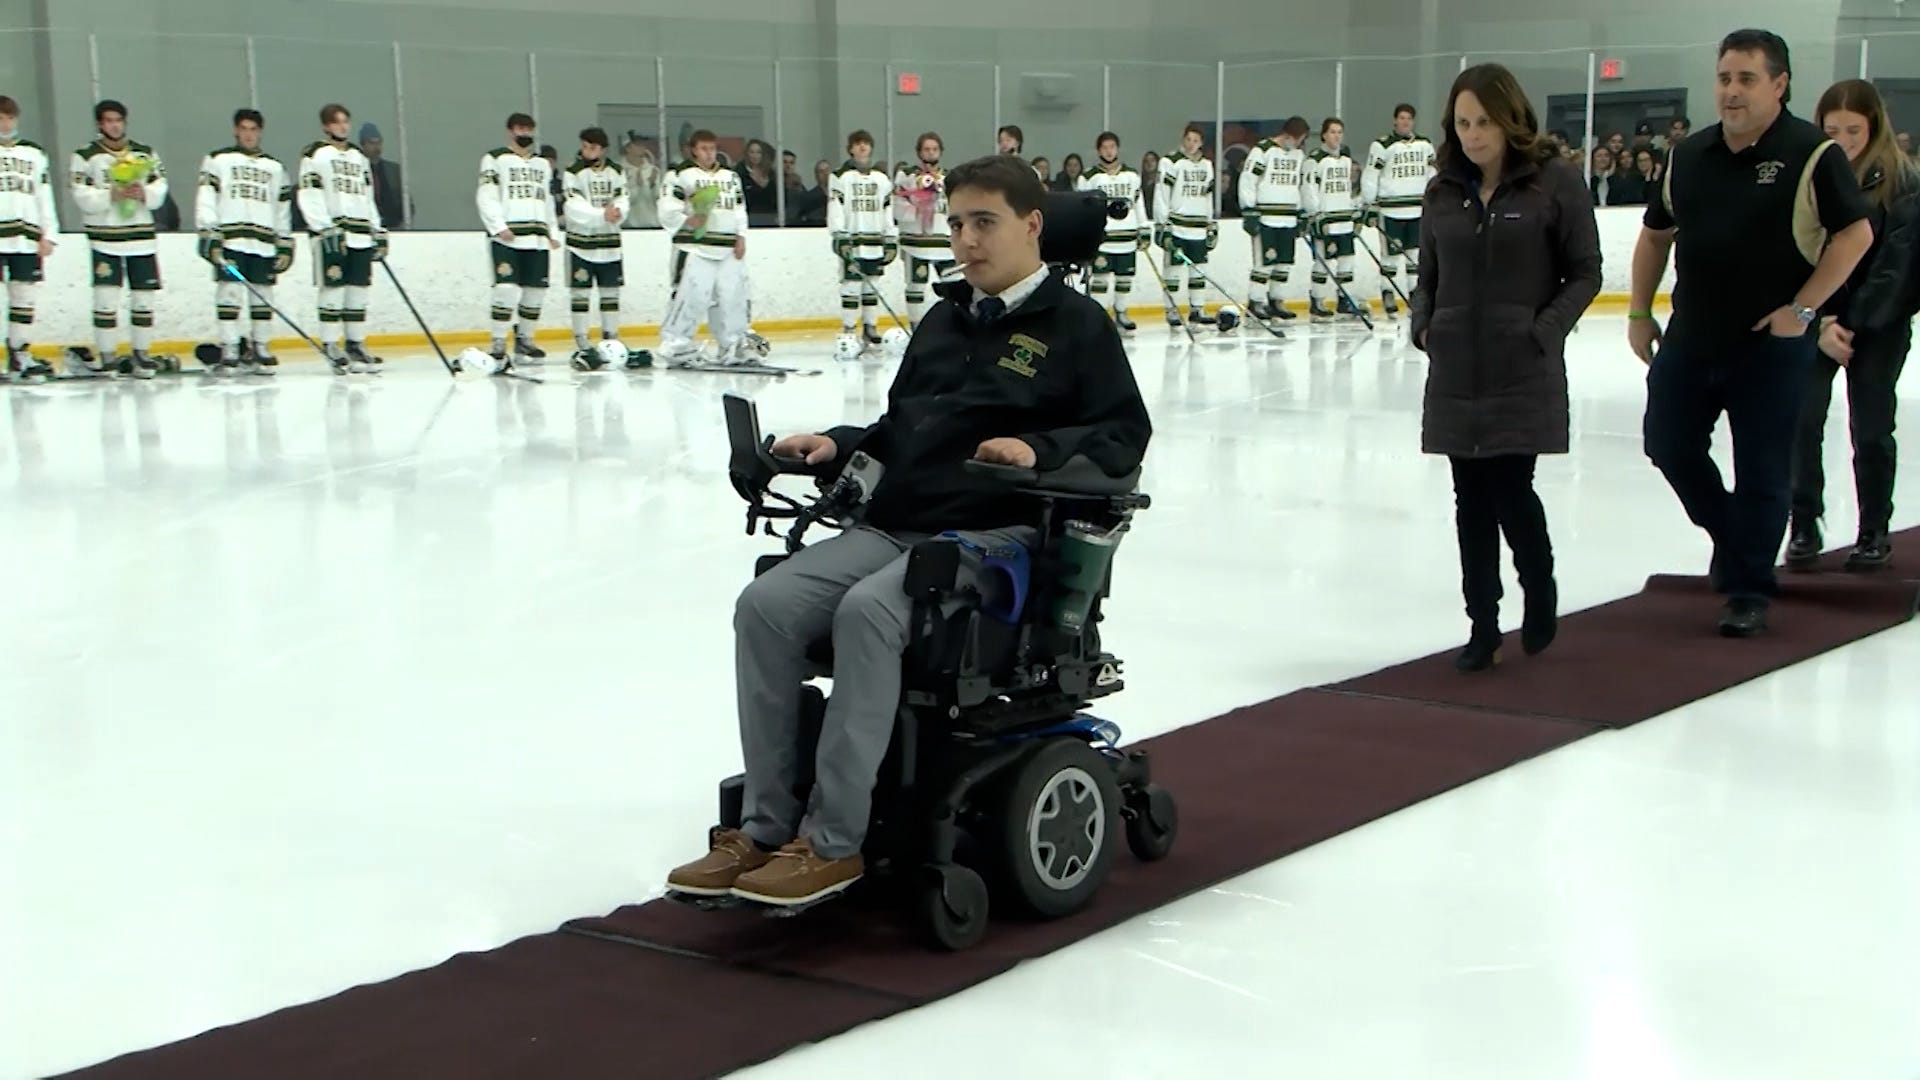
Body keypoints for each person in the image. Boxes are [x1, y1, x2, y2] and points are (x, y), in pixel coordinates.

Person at [664, 154, 1152, 907]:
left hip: (1004, 536)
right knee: (764, 607)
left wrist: (1038, 450)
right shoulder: (946, 317)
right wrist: (840, 443)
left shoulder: (1076, 326)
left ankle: (832, 844)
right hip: (905, 524)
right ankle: (765, 830)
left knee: (871, 612)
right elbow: (907, 429)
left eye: (983, 223)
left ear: (1032, 225)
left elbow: (1124, 437)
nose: (965, 240)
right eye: (955, 223)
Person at [1630, 29, 1874, 636]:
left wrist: (1805, 308)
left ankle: (1747, 591)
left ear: (1779, 84)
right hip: (1692, 334)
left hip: (1771, 344)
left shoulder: (1812, 153)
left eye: (1746, 79)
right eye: (1724, 78)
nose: (1731, 92)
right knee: (1667, 442)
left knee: (1764, 468)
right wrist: (1638, 311)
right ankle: (1735, 538)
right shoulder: (1687, 156)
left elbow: (1855, 235)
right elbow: (1656, 235)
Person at [1410, 64, 1602, 672]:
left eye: (1483, 121)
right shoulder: (1442, 191)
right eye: (1462, 123)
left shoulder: (1554, 184)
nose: (1472, 134)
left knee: (1512, 490)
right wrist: (1425, 327)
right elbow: (1428, 278)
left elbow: (1587, 271)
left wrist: (1541, 331)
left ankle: (1538, 589)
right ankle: (1483, 624)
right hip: (1456, 369)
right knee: (1470, 498)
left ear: (1510, 118)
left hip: (1522, 366)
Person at [1787, 79, 1918, 573]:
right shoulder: (1809, 177)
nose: (1842, 139)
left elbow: (1897, 267)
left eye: (1853, 130)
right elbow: (1796, 253)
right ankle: (1802, 522)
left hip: (1879, 327)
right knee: (1802, 421)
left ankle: (1873, 530)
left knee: (1871, 429)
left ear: (1874, 127)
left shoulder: (1903, 183)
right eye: (1832, 129)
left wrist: (1854, 325)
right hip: (1815, 321)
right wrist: (1820, 319)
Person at [70, 99, 169, 378]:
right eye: (108, 121)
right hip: (105, 238)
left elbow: (160, 186)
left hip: (141, 236)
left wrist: (144, 193)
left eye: (118, 120)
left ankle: (141, 354)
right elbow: (79, 193)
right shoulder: (85, 155)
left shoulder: (144, 153)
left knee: (143, 298)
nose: (114, 125)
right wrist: (108, 195)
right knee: (106, 299)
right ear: (100, 124)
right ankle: (108, 356)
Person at [196, 108, 294, 377]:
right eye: (244, 128)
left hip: (263, 241)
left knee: (262, 296)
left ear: (260, 132)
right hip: (230, 238)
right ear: (235, 130)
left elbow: (282, 209)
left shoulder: (275, 168)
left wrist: (284, 242)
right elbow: (207, 197)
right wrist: (209, 232)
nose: (249, 134)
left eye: (254, 129)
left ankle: (260, 347)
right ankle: (230, 349)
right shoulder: (218, 160)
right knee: (228, 294)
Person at [298, 103, 386, 374]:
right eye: (336, 123)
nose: (342, 127)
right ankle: (330, 344)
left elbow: (366, 195)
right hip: (333, 233)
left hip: (360, 233)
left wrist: (377, 229)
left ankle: (355, 344)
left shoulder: (358, 157)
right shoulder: (315, 155)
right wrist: (323, 227)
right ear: (326, 126)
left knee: (358, 292)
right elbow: (309, 194)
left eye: (345, 122)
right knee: (333, 290)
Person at [657, 129, 750, 365]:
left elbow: (738, 208)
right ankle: (676, 346)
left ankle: (732, 344)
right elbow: (667, 206)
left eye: (712, 148)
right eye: (704, 149)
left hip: (727, 246)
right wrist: (685, 219)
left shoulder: (730, 176)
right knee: (691, 297)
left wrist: (741, 235)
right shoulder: (679, 175)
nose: (709, 153)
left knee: (731, 297)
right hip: (694, 246)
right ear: (693, 150)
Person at [476, 113, 559, 368]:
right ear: (510, 131)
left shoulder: (542, 164)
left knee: (535, 291)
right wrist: (498, 226)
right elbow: (487, 194)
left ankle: (525, 339)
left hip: (536, 237)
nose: (525, 133)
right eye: (520, 129)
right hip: (508, 238)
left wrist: (552, 232)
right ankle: (498, 342)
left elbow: (546, 199)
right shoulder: (495, 159)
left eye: (529, 129)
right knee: (506, 289)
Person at [0, 95, 57, 383]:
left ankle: (19, 354)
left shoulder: (33, 153)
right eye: (0, 118)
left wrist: (49, 234)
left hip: (25, 236)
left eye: (9, 118)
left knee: (23, 297)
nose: (5, 123)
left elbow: (43, 196)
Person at [561, 126, 630, 363]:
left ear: (603, 149)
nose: (588, 151)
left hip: (609, 243)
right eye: (585, 146)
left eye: (593, 147)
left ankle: (611, 336)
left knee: (610, 292)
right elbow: (573, 205)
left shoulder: (616, 171)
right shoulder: (572, 173)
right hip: (580, 243)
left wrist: (618, 212)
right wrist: (601, 215)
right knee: (580, 293)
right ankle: (581, 338)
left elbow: (623, 197)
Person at [1363, 103, 1436, 320]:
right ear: (1395, 120)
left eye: (1409, 119)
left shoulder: (1424, 144)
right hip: (1391, 210)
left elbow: (1432, 173)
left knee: (1414, 255)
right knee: (1391, 256)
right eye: (1402, 118)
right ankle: (1388, 292)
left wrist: (1433, 200)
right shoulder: (1382, 145)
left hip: (1417, 208)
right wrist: (1370, 204)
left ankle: (1415, 294)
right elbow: (1371, 175)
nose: (1405, 122)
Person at [827, 130, 897, 356]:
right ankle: (849, 328)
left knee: (872, 286)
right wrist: (840, 236)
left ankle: (870, 327)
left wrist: (890, 238)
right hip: (853, 240)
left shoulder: (881, 179)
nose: (863, 148)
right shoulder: (840, 176)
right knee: (851, 287)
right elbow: (835, 208)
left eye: (866, 144)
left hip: (875, 240)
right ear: (850, 149)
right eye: (858, 144)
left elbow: (887, 210)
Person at [1237, 116, 1308, 323]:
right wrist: (1249, 210)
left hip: (1288, 217)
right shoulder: (1263, 151)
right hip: (1266, 216)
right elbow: (1248, 180)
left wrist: (1301, 211)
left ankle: (1276, 299)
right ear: (1286, 135)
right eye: (1295, 139)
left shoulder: (1298, 155)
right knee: (1264, 263)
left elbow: (1300, 185)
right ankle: (1256, 301)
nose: (1296, 143)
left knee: (1284, 262)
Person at [1076, 130, 1148, 333]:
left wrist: (1144, 229)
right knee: (1100, 279)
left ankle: (1121, 312)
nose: (1108, 151)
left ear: (1118, 149)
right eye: (1104, 147)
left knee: (1125, 278)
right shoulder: (1089, 177)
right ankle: (1097, 316)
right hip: (1103, 237)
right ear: (1098, 150)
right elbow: (1083, 208)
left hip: (1127, 235)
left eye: (1112, 147)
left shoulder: (1131, 175)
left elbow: (1138, 203)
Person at [1153, 123, 1218, 327]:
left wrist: (1211, 223)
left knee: (1198, 271)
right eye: (1188, 139)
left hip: (1198, 226)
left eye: (1196, 141)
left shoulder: (1207, 165)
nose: (1191, 144)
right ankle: (1171, 310)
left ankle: (1197, 308)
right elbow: (1162, 195)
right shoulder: (1170, 162)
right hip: (1177, 224)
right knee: (1172, 270)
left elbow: (1208, 197)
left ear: (1202, 143)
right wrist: (1162, 224)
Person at [1302, 117, 1361, 321]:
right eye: (1333, 132)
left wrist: (1354, 209)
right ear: (1324, 135)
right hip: (1326, 219)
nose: (1336, 136)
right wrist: (1315, 214)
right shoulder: (1315, 160)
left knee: (1347, 261)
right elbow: (1309, 189)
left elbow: (1347, 188)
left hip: (1343, 218)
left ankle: (1344, 299)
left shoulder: (1345, 160)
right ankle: (1317, 300)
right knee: (1322, 262)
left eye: (1339, 132)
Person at [892, 132, 952, 331]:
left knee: (955, 284)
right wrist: (916, 208)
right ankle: (916, 329)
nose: (931, 153)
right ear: (919, 152)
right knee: (916, 286)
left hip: (944, 242)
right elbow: (898, 205)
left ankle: (955, 327)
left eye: (934, 149)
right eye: (926, 149)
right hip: (916, 242)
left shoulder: (950, 177)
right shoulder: (906, 176)